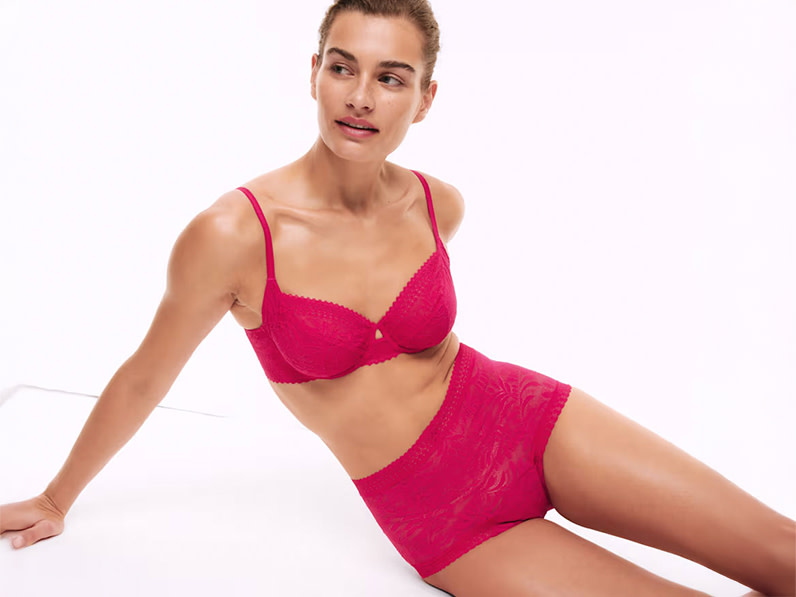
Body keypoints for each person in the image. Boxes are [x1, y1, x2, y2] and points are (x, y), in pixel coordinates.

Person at [1, 1, 793, 595]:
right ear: (313, 72)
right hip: (445, 520)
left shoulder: (435, 203)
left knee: (785, 557)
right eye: (342, 67)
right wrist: (57, 496)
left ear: (425, 97)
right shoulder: (233, 234)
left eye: (391, 78)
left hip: (529, 421)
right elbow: (146, 375)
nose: (361, 96)